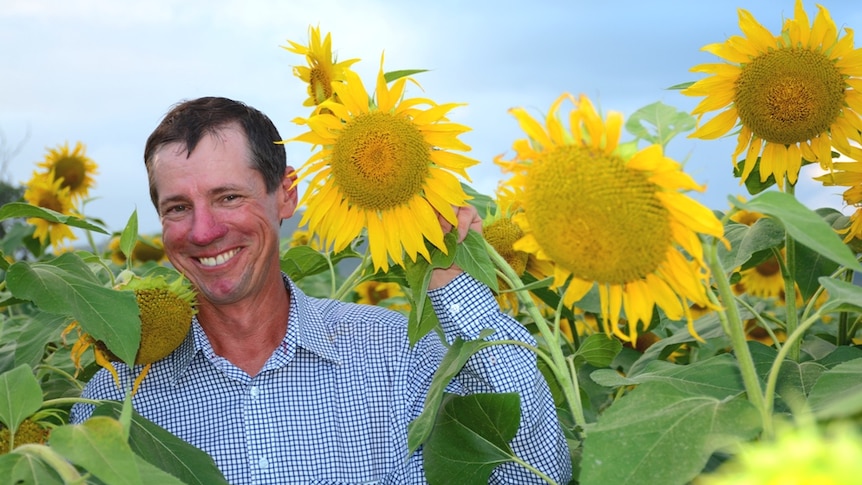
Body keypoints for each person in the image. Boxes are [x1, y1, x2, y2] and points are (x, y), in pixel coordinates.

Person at [71, 96, 571, 484]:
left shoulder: (397, 353)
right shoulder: (114, 402)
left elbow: (529, 470)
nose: (203, 231)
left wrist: (453, 280)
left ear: (286, 195)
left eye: (228, 197)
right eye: (178, 208)